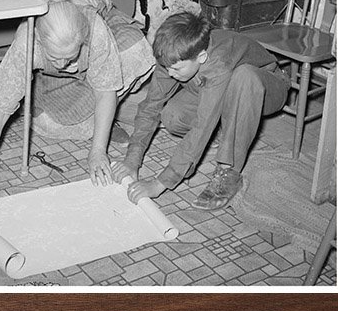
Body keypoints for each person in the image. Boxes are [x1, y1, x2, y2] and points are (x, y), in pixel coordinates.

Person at [0, 0, 154, 215]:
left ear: (82, 40)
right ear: (40, 42)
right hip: (61, 69)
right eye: (55, 58)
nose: (62, 65)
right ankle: (105, 109)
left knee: (137, 51)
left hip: (109, 31)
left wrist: (98, 151)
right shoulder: (26, 43)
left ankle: (112, 111)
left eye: (70, 57)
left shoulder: (96, 30)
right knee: (62, 125)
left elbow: (105, 92)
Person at [112, 11, 289, 211]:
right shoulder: (173, 56)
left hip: (265, 88)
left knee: (244, 76)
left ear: (201, 57)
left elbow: (201, 126)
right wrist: (132, 159)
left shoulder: (218, 63)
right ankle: (224, 131)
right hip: (221, 85)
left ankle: (228, 170)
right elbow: (150, 106)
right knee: (172, 114)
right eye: (167, 68)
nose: (170, 74)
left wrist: (160, 183)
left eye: (176, 70)